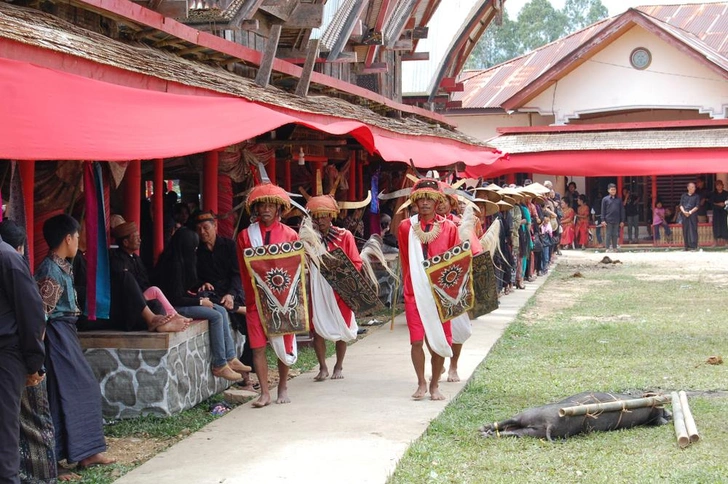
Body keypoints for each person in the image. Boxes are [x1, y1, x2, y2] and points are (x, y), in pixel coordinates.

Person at [34, 214, 115, 472]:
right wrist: (38, 352)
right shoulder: (50, 271)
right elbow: (41, 315)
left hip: (65, 333)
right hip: (56, 338)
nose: (79, 240)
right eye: (77, 236)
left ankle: (87, 453)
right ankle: (60, 458)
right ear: (67, 239)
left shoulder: (62, 267)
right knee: (74, 390)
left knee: (74, 391)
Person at [154, 227, 248, 381]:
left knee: (221, 310)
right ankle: (219, 364)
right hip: (172, 307)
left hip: (182, 301)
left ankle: (231, 358)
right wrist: (200, 301)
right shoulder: (172, 266)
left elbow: (186, 287)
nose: (195, 250)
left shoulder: (181, 260)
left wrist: (201, 284)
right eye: (194, 247)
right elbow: (175, 298)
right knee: (216, 315)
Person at [237, 184, 300, 407]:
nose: (266, 209)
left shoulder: (291, 234)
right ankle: (264, 392)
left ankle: (282, 385)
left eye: (270, 205)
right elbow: (244, 270)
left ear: (278, 209)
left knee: (283, 346)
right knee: (258, 347)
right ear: (256, 208)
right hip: (255, 300)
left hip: (283, 300)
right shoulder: (245, 235)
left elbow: (296, 270)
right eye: (262, 204)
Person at [397, 179, 460, 401]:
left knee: (439, 341)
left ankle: (434, 385)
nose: (424, 203)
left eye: (429, 199)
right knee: (416, 340)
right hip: (414, 292)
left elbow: (454, 262)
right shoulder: (406, 227)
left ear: (437, 201)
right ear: (414, 202)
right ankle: (421, 383)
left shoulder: (449, 228)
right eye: (421, 199)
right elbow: (406, 260)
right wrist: (412, 286)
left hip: (441, 295)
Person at [0, 221, 48, 484]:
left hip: (5, 352)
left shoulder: (7, 257)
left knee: (4, 426)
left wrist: (33, 362)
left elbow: (32, 313)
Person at [193, 211, 254, 388]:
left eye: (206, 228)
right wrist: (202, 283)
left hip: (232, 292)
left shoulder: (228, 246)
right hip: (213, 295)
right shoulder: (197, 252)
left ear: (215, 227)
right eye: (199, 229)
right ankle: (244, 378)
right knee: (227, 312)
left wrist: (231, 294)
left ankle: (246, 375)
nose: (202, 232)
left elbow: (237, 274)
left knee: (251, 328)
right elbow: (193, 278)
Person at [305, 194, 362, 382]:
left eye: (324, 216)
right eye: (316, 216)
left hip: (340, 286)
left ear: (331, 216)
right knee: (317, 327)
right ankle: (322, 367)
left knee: (342, 326)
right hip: (317, 287)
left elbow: (356, 262)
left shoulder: (344, 235)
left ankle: (339, 364)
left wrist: (337, 268)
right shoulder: (307, 238)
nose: (320, 220)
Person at [109, 221, 189, 332]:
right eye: (136, 237)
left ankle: (165, 323)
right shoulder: (116, 259)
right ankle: (172, 318)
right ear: (126, 242)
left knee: (156, 303)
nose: (139, 240)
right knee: (154, 291)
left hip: (142, 299)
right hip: (127, 301)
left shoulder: (136, 258)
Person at [601, 184, 625, 252]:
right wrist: (603, 220)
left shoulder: (619, 199)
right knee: (608, 234)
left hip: (617, 219)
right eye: (612, 190)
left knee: (615, 234)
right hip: (608, 219)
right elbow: (603, 210)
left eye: (614, 189)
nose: (613, 191)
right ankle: (607, 248)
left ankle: (615, 248)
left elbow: (622, 210)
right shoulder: (605, 199)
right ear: (608, 190)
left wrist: (622, 220)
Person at [679, 182, 700, 251]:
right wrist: (684, 211)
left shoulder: (696, 196)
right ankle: (686, 246)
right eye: (693, 187)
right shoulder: (684, 195)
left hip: (692, 214)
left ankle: (694, 246)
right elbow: (681, 205)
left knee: (693, 229)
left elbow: (697, 206)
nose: (694, 188)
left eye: (694, 187)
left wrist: (690, 212)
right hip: (684, 214)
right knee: (685, 229)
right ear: (688, 188)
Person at [709, 180, 728, 245]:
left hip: (724, 212)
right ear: (716, 186)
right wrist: (718, 204)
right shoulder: (713, 194)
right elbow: (711, 202)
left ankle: (726, 241)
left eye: (720, 185)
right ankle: (715, 241)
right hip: (716, 212)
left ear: (723, 185)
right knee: (716, 226)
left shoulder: (726, 193)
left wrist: (724, 203)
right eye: (717, 185)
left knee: (724, 226)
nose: (719, 186)